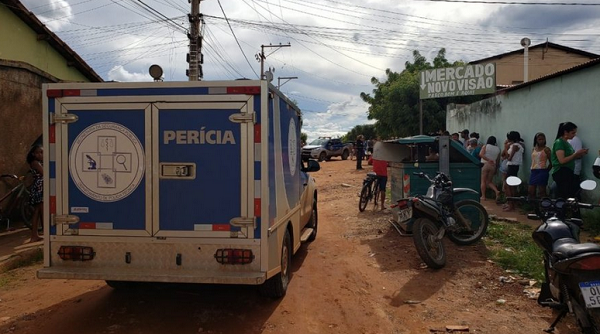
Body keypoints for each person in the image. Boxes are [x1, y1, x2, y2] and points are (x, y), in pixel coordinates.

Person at [551, 122, 588, 199]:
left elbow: (570, 157)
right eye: (572, 133)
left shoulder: (566, 143)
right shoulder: (559, 142)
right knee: (564, 195)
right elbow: (562, 160)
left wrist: (579, 154)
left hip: (568, 171)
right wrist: (575, 154)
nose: (574, 135)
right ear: (565, 132)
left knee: (570, 194)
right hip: (561, 171)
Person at [502, 131, 524, 211]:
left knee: (508, 186)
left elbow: (509, 158)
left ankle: (511, 205)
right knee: (512, 186)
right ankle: (512, 204)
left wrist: (505, 147)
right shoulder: (519, 145)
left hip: (512, 166)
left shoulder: (514, 146)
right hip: (515, 167)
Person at [27, 145, 43, 243]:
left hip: (39, 187)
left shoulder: (37, 162)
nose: (40, 154)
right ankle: (34, 235)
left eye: (41, 152)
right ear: (33, 154)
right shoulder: (35, 163)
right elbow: (44, 172)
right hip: (39, 188)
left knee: (37, 211)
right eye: (38, 152)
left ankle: (34, 235)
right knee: (40, 210)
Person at [528, 132, 552, 199]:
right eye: (539, 139)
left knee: (542, 191)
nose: (541, 141)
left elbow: (551, 162)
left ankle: (544, 206)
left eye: (543, 139)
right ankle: (534, 206)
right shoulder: (533, 149)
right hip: (534, 171)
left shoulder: (546, 149)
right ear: (536, 140)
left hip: (542, 170)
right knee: (531, 190)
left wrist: (546, 171)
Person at [479, 136, 501, 201]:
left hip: (485, 164)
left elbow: (481, 154)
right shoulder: (498, 149)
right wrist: (496, 169)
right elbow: (498, 160)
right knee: (489, 181)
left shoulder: (485, 146)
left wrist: (488, 160)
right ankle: (496, 191)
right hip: (493, 166)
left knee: (483, 181)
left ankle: (483, 196)